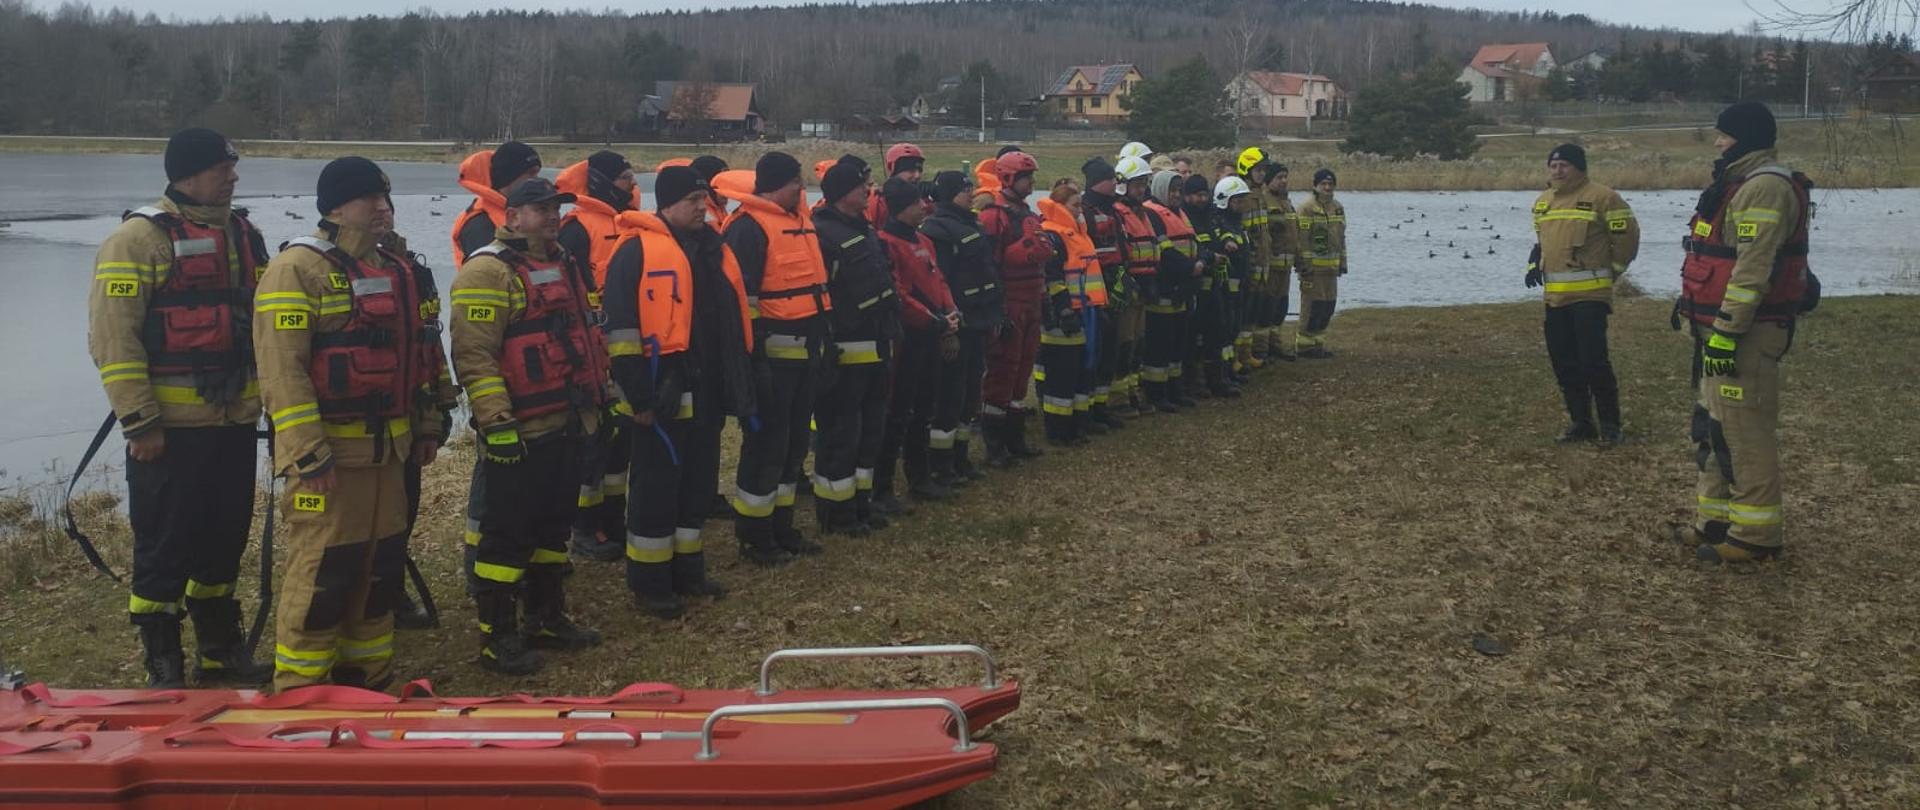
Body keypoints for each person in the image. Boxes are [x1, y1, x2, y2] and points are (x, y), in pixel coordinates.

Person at [253, 157, 447, 691]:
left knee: (380, 567)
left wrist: (428, 423)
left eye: (387, 199)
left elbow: (422, 353)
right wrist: (307, 454)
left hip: (390, 452)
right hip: (330, 460)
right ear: (337, 206)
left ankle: (368, 677)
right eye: (370, 199)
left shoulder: (396, 267)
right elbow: (281, 371)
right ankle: (301, 687)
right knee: (323, 569)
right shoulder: (297, 269)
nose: (383, 208)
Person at [89, 127, 272, 688]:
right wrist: (139, 421)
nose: (234, 177)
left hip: (234, 423)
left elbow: (266, 326)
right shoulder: (137, 240)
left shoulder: (246, 236)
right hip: (168, 432)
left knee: (224, 539)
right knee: (165, 546)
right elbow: (113, 340)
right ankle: (162, 657)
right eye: (224, 168)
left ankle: (218, 648)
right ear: (188, 174)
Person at [450, 177, 607, 674]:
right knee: (507, 534)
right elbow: (475, 357)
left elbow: (584, 335)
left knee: (552, 527)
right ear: (511, 216)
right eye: (539, 209)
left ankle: (546, 615)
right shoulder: (487, 271)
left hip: (567, 418)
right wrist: (497, 424)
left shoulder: (563, 263)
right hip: (520, 428)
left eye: (555, 208)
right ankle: (498, 635)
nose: (551, 215)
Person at [602, 166, 754, 618]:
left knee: (697, 485)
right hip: (659, 390)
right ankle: (650, 584)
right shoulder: (635, 251)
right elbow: (622, 331)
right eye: (691, 200)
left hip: (706, 386)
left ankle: (689, 571)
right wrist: (639, 397)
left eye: (704, 199)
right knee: (655, 488)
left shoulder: (711, 248)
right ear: (665, 203)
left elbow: (728, 321)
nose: (701, 207)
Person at [1677, 102, 1812, 563]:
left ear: (1746, 137)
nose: (1717, 143)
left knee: (1743, 429)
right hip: (1714, 327)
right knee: (1713, 426)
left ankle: (1756, 535)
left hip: (1746, 333)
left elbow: (1753, 268)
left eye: (1724, 135)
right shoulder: (1733, 185)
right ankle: (1713, 520)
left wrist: (1728, 331)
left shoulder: (1765, 187)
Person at [720, 153, 833, 565]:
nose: (801, 190)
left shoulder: (799, 222)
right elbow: (740, 303)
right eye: (794, 184)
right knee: (766, 448)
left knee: (793, 445)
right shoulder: (747, 229)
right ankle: (754, 535)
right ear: (773, 185)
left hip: (805, 357)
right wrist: (753, 362)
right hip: (772, 361)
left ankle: (782, 527)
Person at [1526, 143, 1639, 445]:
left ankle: (1611, 425)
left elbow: (1626, 239)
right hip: (1555, 299)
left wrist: (1611, 272)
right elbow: (1542, 241)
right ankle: (1581, 422)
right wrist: (1533, 264)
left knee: (1593, 362)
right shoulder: (1543, 202)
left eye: (1564, 165)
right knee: (1564, 362)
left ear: (1579, 168)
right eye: (1553, 165)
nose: (1557, 171)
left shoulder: (1604, 198)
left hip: (1590, 297)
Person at [810, 160, 901, 534]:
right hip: (846, 352)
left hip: (876, 347)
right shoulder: (823, 234)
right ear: (843, 191)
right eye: (863, 185)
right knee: (841, 435)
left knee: (870, 434)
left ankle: (861, 503)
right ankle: (837, 513)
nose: (870, 190)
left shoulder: (863, 228)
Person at [556, 150, 638, 562]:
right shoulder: (577, 229)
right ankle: (584, 528)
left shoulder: (632, 224)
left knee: (620, 442)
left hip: (627, 347)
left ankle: (613, 519)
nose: (633, 186)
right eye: (626, 178)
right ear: (605, 182)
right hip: (593, 352)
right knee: (593, 443)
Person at [877, 178, 963, 498]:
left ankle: (920, 476)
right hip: (907, 340)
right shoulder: (886, 242)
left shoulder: (923, 240)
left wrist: (951, 311)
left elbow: (938, 279)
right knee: (899, 411)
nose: (924, 207)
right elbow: (898, 295)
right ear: (901, 208)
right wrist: (935, 321)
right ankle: (882, 485)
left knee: (925, 407)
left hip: (933, 333)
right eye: (917, 203)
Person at [921, 170, 1003, 485]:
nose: (972, 194)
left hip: (979, 319)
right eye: (966, 189)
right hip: (959, 322)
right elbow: (939, 282)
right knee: (949, 395)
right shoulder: (937, 230)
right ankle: (941, 463)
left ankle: (960, 456)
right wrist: (948, 327)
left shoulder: (971, 223)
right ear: (950, 193)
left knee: (970, 392)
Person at [977, 151, 1054, 465]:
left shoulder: (1026, 213)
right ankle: (994, 445)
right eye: (1026, 178)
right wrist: (997, 310)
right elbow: (988, 266)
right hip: (1010, 300)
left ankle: (1015, 438)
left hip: (1032, 298)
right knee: (1002, 371)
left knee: (1023, 370)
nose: (1031, 183)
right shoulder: (994, 216)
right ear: (1008, 178)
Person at [1035, 180, 1102, 445]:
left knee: (1080, 373)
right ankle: (1058, 430)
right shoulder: (1053, 234)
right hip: (1064, 317)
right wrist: (1063, 310)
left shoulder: (1079, 233)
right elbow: (1052, 277)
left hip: (1086, 312)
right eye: (1074, 205)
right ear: (1060, 206)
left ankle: (1077, 425)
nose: (1079, 210)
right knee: (1061, 377)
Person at [1136, 168, 1204, 412]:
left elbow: (1195, 242)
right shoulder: (1153, 213)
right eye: (1172, 190)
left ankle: (1175, 389)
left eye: (1179, 191)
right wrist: (1191, 267)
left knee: (1178, 344)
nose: (1176, 195)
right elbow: (1164, 252)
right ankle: (1157, 394)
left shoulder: (1179, 213)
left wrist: (1201, 262)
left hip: (1183, 288)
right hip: (1165, 289)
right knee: (1160, 346)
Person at [1112, 155, 1171, 415]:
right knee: (1124, 342)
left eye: (1144, 184)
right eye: (1137, 184)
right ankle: (1118, 398)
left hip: (1145, 284)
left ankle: (1133, 391)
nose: (1142, 189)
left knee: (1137, 342)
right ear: (1123, 184)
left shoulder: (1142, 213)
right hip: (1130, 286)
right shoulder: (1118, 213)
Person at [1075, 159, 1127, 432]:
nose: (1115, 184)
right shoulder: (1085, 211)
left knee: (1110, 352)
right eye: (1111, 179)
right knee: (1093, 353)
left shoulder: (1113, 211)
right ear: (1098, 181)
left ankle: (1101, 406)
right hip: (1093, 295)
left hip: (1113, 288)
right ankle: (1087, 411)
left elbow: (1120, 247)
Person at [1201, 176, 1254, 398]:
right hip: (1225, 286)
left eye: (1243, 201)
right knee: (1223, 331)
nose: (1241, 205)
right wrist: (1226, 244)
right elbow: (1224, 244)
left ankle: (1229, 370)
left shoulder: (1236, 222)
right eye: (1237, 201)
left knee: (1233, 329)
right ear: (1225, 201)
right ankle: (1221, 375)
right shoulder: (1219, 222)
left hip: (1238, 284)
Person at [451, 142, 541, 267]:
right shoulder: (479, 223)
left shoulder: (520, 212)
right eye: (531, 173)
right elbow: (487, 273)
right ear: (509, 176)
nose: (536, 180)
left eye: (537, 173)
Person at [1294, 168, 1346, 359]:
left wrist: (1343, 262)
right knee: (1312, 307)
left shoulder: (1338, 207)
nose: (1327, 187)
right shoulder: (1306, 208)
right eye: (1323, 184)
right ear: (1315, 185)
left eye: (1330, 184)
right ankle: (1304, 346)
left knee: (1327, 307)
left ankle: (1318, 343)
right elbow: (1301, 240)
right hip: (1312, 270)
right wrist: (1303, 265)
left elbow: (1342, 238)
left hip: (1331, 269)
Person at [1232, 149, 1275, 376]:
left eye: (1264, 170)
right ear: (1246, 170)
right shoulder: (1243, 196)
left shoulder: (1260, 195)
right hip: (1249, 264)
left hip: (1262, 264)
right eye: (1258, 170)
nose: (1262, 174)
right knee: (1242, 311)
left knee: (1252, 312)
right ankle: (1237, 356)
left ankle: (1246, 354)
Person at [1260, 162, 1300, 362]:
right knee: (1267, 307)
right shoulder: (1264, 202)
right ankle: (1261, 349)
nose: (1283, 181)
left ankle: (1275, 345)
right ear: (1269, 180)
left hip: (1285, 267)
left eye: (1285, 177)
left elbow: (1295, 234)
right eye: (1279, 177)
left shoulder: (1287, 203)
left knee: (1280, 307)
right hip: (1270, 267)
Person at [868, 142, 928, 227]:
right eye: (911, 171)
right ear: (894, 171)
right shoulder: (878, 203)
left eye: (920, 170)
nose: (917, 175)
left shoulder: (924, 197)